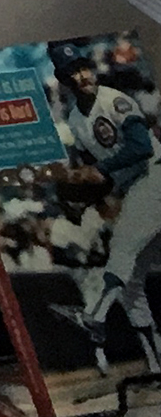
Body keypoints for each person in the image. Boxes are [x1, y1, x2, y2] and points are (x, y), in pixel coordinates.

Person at [49, 42, 161, 371]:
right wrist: (85, 191)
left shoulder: (114, 99)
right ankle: (157, 366)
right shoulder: (74, 119)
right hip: (134, 188)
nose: (82, 75)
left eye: (84, 67)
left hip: (155, 174)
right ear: (64, 79)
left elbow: (141, 147)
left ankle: (94, 316)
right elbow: (99, 173)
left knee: (122, 248)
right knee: (131, 288)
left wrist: (101, 171)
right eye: (73, 72)